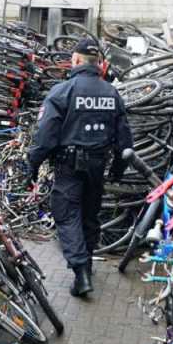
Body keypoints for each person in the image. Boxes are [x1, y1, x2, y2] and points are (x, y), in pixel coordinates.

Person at [27, 37, 133, 298]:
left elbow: (45, 136)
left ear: (75, 61)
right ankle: (86, 263)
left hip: (69, 166)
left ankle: (80, 271)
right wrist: (118, 169)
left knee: (67, 215)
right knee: (90, 215)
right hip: (98, 165)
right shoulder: (112, 93)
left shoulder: (62, 91)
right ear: (98, 63)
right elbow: (124, 139)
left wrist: (32, 165)